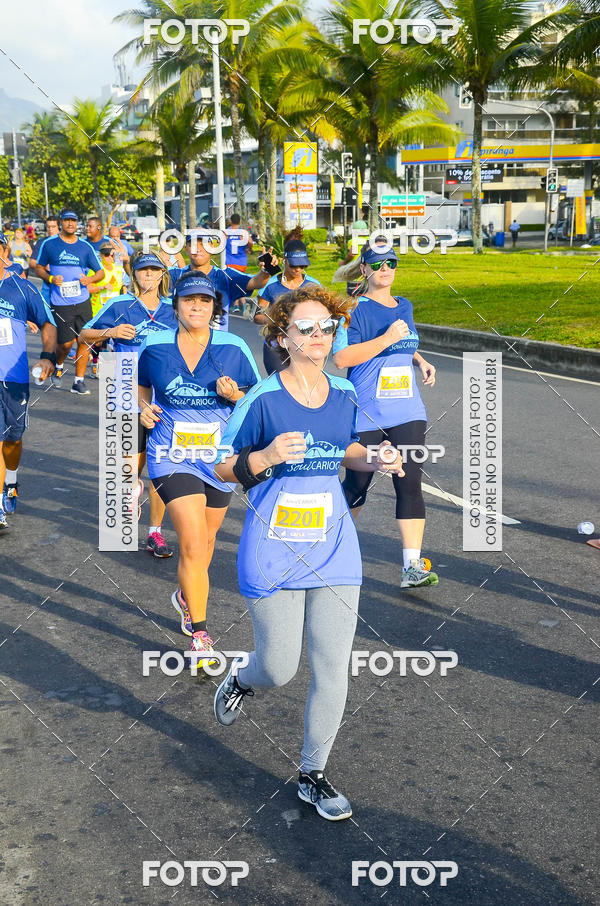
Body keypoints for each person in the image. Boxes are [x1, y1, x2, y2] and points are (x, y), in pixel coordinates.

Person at [213, 285, 404, 821]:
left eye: (326, 327)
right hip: (273, 546)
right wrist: (267, 456)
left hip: (335, 545)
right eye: (306, 328)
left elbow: (344, 449)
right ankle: (241, 678)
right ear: (282, 337)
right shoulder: (263, 398)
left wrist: (377, 456)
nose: (319, 336)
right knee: (278, 667)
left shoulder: (344, 392)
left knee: (332, 665)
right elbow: (221, 467)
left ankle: (312, 774)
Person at [137, 272, 260, 657]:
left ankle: (186, 594)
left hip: (220, 461)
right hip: (170, 456)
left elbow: (257, 401)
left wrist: (236, 394)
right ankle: (201, 637)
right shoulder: (154, 345)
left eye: (204, 301)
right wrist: (143, 408)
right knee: (190, 542)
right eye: (189, 300)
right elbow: (140, 385)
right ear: (176, 305)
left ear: (214, 308)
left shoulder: (234, 346)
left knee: (206, 544)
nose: (196, 306)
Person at [333, 241, 439, 589]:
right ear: (364, 269)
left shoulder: (403, 305)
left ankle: (412, 567)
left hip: (407, 409)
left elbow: (405, 341)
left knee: (409, 483)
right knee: (357, 484)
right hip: (367, 412)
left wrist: (421, 360)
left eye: (391, 262)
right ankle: (335, 553)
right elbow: (343, 359)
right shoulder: (354, 309)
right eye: (377, 264)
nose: (385, 269)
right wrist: (386, 338)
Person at [80, 252, 178, 558]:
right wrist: (110, 332)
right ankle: (130, 496)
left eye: (154, 270)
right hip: (125, 394)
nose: (148, 275)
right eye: (143, 270)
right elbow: (83, 334)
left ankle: (155, 534)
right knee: (131, 468)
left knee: (160, 469)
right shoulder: (120, 305)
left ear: (162, 274)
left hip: (163, 398)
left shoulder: (173, 310)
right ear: (134, 274)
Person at [0, 232, 57, 529]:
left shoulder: (20, 288)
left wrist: (48, 356)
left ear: (4, 251)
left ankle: (10, 478)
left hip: (13, 377)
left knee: (12, 439)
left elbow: (48, 323)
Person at [35, 208, 104, 394]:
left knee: (85, 340)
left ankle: (78, 381)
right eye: (67, 221)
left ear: (77, 223)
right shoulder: (50, 244)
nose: (70, 224)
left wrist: (89, 280)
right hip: (60, 303)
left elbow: (100, 272)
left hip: (82, 301)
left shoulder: (85, 246)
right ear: (61, 223)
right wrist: (50, 279)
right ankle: (58, 366)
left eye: (73, 220)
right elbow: (38, 267)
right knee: (65, 344)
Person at [167, 234, 272, 332]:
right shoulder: (175, 275)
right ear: (186, 249)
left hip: (216, 347)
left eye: (203, 244)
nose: (198, 249)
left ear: (212, 247)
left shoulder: (225, 276)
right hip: (182, 345)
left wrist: (266, 270)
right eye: (193, 245)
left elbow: (256, 282)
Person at [253, 231, 320, 374]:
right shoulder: (269, 285)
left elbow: (325, 316)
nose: (298, 269)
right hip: (277, 346)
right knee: (281, 386)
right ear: (284, 260)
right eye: (294, 265)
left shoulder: (314, 286)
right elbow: (257, 317)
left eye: (302, 266)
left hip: (306, 346)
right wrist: (280, 318)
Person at [29, 216, 60, 300]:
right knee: (46, 311)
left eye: (53, 227)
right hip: (47, 285)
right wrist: (44, 265)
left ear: (59, 227)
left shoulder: (66, 241)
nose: (50, 229)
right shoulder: (41, 242)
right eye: (48, 227)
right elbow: (32, 262)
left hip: (65, 284)